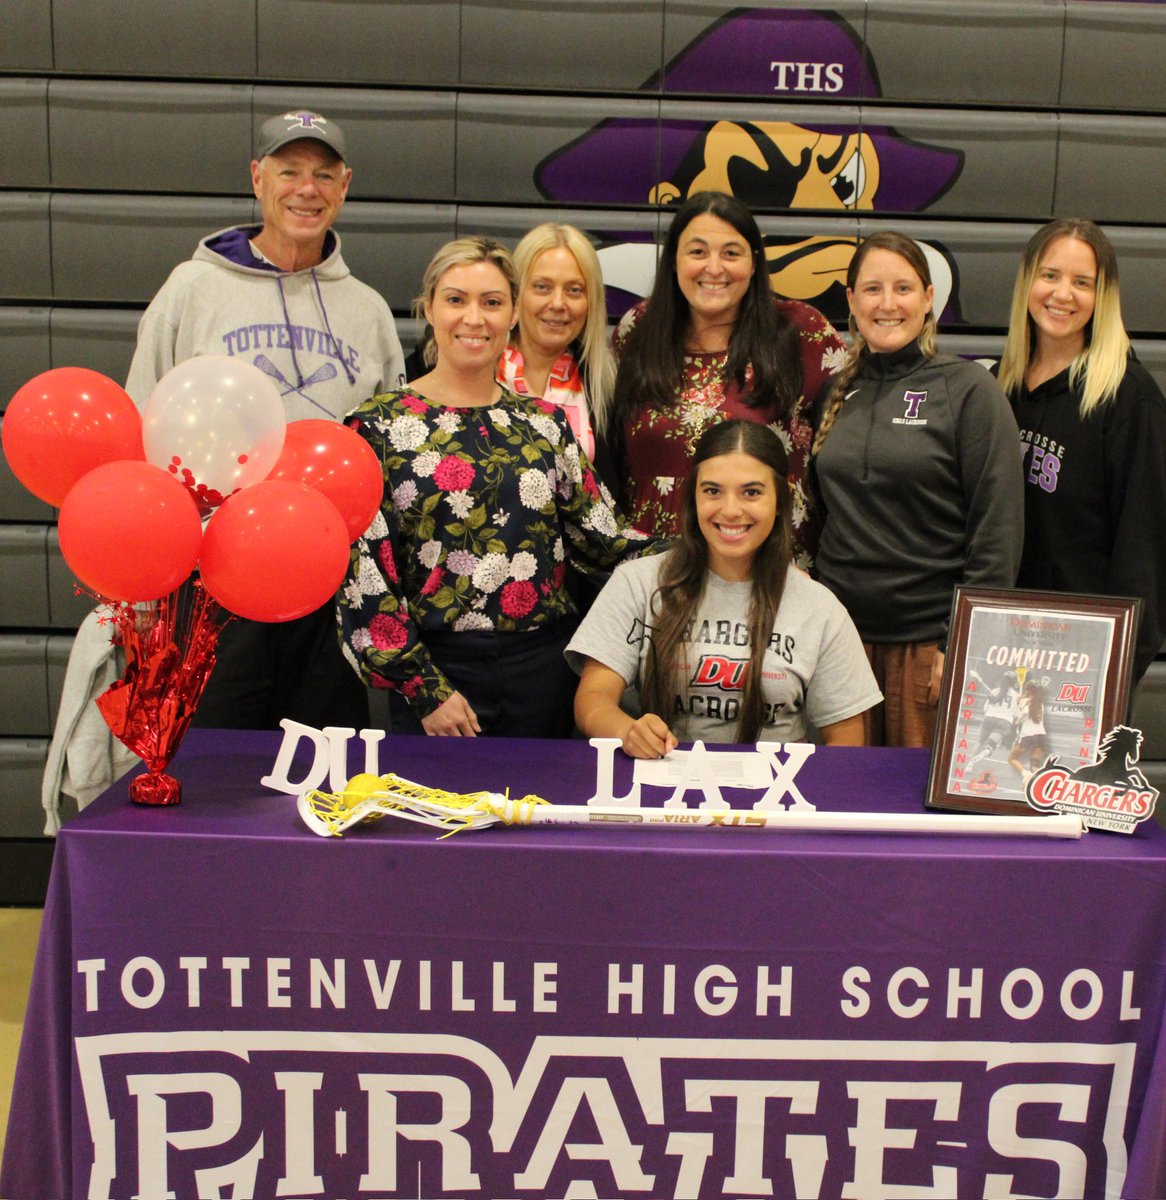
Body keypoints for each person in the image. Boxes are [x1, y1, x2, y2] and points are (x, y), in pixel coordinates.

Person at [121, 109, 406, 732]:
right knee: (212, 764)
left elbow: (391, 444)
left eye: (324, 175)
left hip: (332, 586)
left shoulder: (368, 310)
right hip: (213, 583)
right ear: (257, 177)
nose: (308, 189)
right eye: (290, 171)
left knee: (328, 771)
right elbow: (139, 426)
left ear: (346, 185)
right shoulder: (191, 289)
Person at [340, 236, 653, 739]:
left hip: (542, 673)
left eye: (491, 302)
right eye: (456, 299)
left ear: (511, 315)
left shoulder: (547, 425)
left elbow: (604, 543)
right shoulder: (375, 427)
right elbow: (363, 576)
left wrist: (710, 556)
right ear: (429, 309)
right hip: (436, 676)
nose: (474, 317)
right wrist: (424, 688)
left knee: (539, 815)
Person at [812, 231, 1023, 749]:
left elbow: (997, 531)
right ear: (851, 301)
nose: (888, 304)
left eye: (903, 288)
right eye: (873, 289)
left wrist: (963, 644)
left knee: (918, 815)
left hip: (927, 648)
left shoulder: (969, 390)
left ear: (929, 299)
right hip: (841, 646)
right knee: (839, 807)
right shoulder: (836, 390)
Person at [567, 420, 881, 758]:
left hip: (777, 799)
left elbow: (848, 742)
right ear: (693, 498)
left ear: (780, 501)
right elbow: (592, 700)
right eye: (713, 491)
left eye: (752, 492)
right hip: (660, 790)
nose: (730, 511)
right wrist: (627, 731)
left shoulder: (820, 608)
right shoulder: (637, 583)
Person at [608, 190, 848, 566]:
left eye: (731, 253)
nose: (714, 268)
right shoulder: (637, 331)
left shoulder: (799, 332)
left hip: (768, 570)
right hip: (655, 570)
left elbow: (853, 435)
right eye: (698, 251)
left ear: (754, 263)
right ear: (673, 260)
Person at [996, 218, 1166, 683]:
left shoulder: (1130, 398)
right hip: (999, 648)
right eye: (1049, 275)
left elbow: (1144, 555)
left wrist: (1114, 671)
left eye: (1082, 283)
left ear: (1103, 296)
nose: (1062, 294)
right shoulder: (998, 387)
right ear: (1027, 280)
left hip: (1083, 665)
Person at [498, 222, 616, 472]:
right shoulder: (479, 371)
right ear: (516, 293)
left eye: (574, 290)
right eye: (542, 287)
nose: (558, 303)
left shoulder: (606, 386)